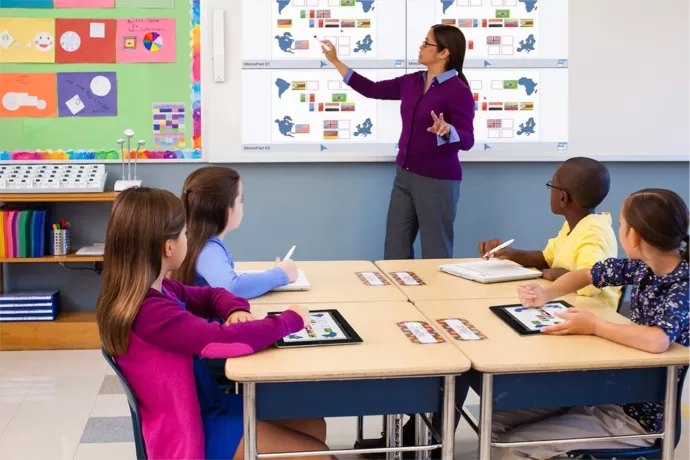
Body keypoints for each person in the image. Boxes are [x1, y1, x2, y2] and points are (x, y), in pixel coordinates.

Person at [96, 187, 329, 460]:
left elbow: (211, 294)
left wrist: (234, 309)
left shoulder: (158, 290)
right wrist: (289, 321)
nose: (188, 239)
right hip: (190, 428)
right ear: (168, 247)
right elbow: (222, 341)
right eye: (184, 233)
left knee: (314, 425)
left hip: (206, 405)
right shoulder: (150, 312)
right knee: (320, 454)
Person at [495, 188, 690, 459]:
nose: (620, 230)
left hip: (638, 417)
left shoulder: (682, 285)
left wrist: (595, 325)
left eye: (621, 225)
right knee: (494, 423)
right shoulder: (643, 266)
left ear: (633, 235)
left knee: (512, 447)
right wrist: (546, 294)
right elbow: (587, 274)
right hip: (611, 391)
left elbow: (657, 340)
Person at [322, 25, 475, 260]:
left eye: (427, 43)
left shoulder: (458, 90)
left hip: (438, 181)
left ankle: (436, 297)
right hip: (404, 176)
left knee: (436, 250)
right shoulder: (412, 81)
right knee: (395, 248)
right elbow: (371, 89)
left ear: (444, 53)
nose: (421, 47)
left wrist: (447, 130)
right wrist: (335, 61)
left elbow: (467, 140)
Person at [478, 157, 621, 310]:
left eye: (552, 185)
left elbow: (590, 283)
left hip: (593, 311)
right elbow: (546, 258)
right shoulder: (575, 225)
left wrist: (555, 275)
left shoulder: (593, 232)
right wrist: (510, 253)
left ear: (562, 198)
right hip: (569, 304)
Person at [172, 166, 298, 299]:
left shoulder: (194, 241)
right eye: (240, 200)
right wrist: (281, 274)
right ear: (227, 210)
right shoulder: (208, 250)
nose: (242, 205)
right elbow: (233, 287)